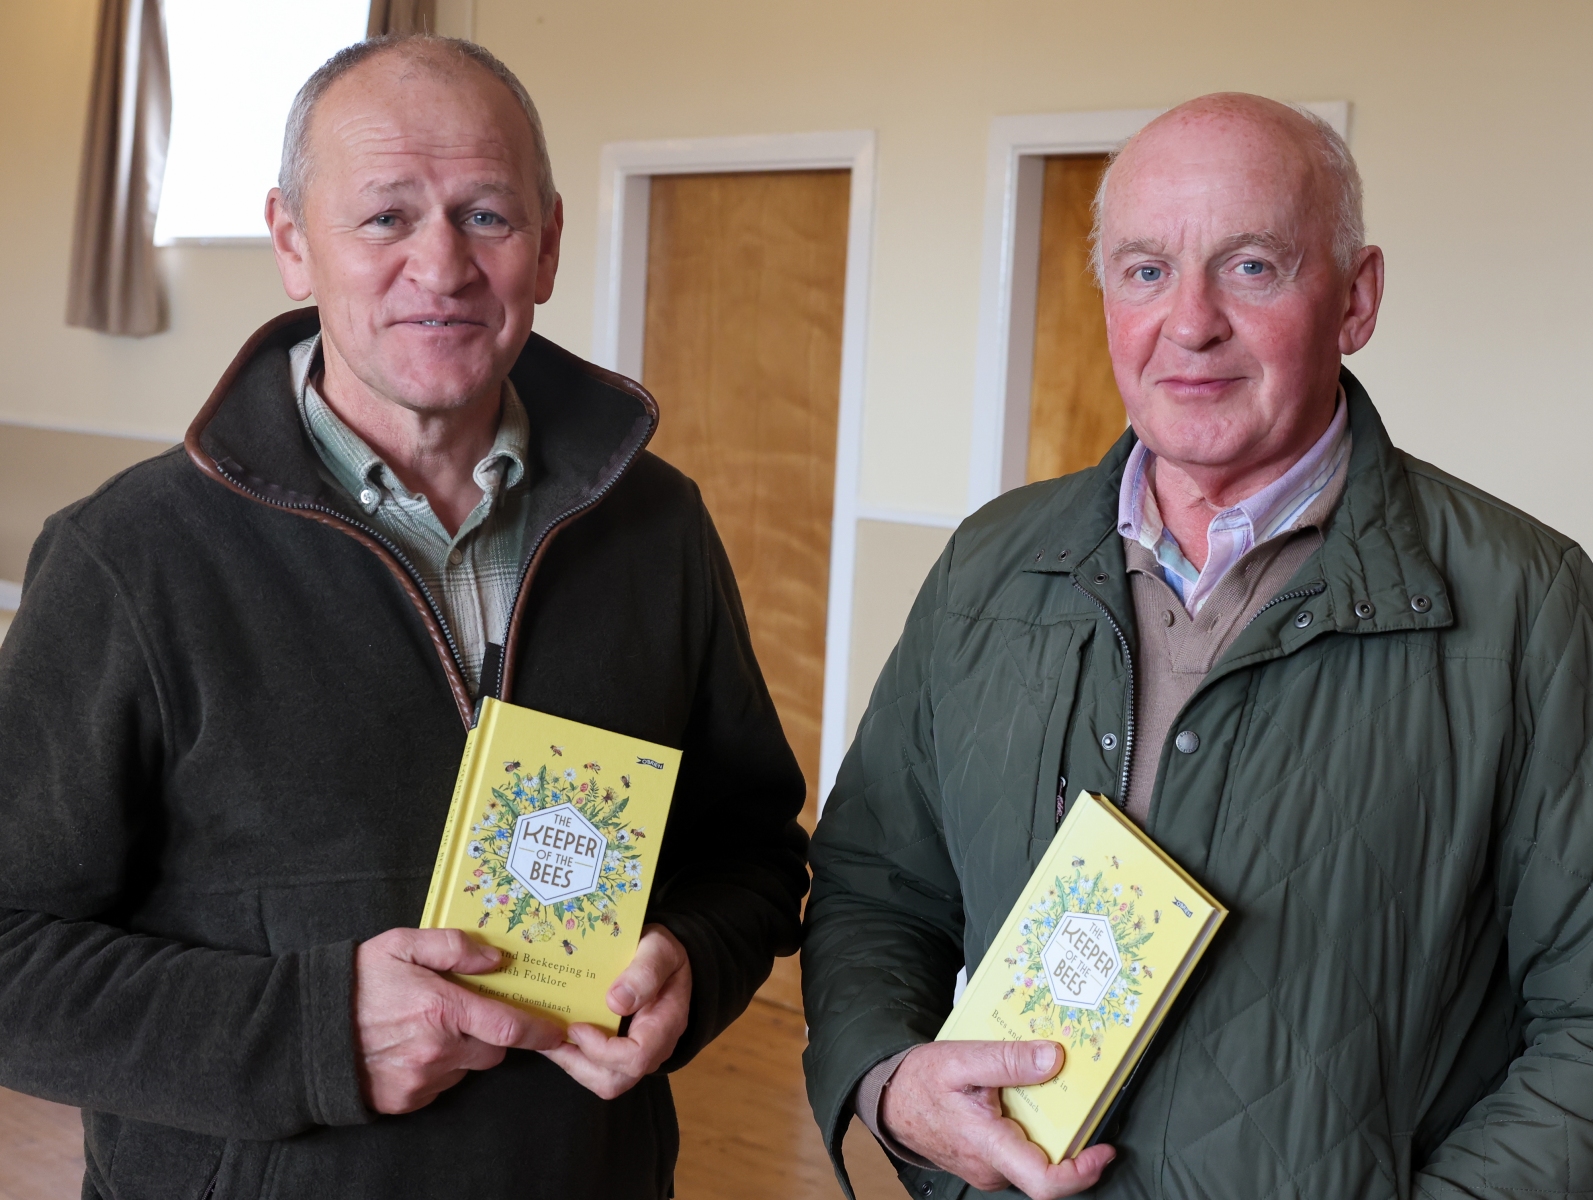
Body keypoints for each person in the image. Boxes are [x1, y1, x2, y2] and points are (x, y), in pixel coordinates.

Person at [0, 35, 807, 1199]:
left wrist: (695, 957)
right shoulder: (131, 556)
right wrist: (312, 1030)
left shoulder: (657, 524)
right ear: (292, 242)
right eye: (386, 217)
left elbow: (752, 853)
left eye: (486, 215)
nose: (443, 266)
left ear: (548, 243)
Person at [803, 92, 1593, 1200]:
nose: (1190, 322)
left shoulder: (1530, 603)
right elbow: (875, 890)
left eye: (1251, 266)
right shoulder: (988, 566)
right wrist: (893, 1081)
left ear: (1356, 298)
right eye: (1145, 270)